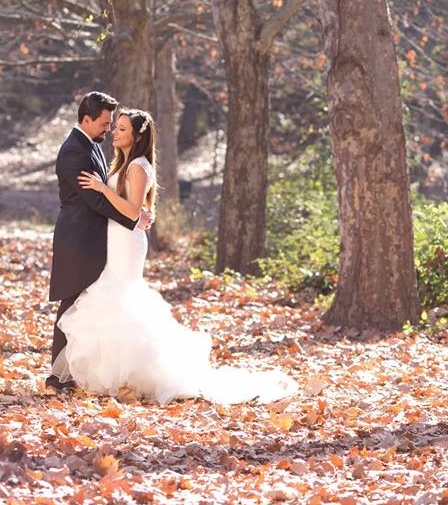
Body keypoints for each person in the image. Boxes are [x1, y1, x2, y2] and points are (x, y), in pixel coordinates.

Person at [54, 108, 298, 405]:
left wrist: (102, 189)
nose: (114, 133)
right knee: (108, 296)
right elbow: (139, 209)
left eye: (121, 129)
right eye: (114, 127)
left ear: (138, 136)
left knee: (120, 297)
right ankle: (116, 376)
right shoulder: (124, 162)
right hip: (115, 237)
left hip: (127, 241)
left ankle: (132, 375)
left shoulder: (137, 167)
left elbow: (132, 212)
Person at [47, 91, 152, 391]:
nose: (108, 130)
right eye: (105, 124)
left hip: (100, 238)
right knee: (72, 303)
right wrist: (132, 219)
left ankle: (80, 372)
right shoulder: (73, 151)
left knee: (92, 303)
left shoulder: (90, 145)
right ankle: (58, 376)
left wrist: (136, 214)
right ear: (86, 120)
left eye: (113, 125)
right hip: (79, 237)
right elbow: (93, 199)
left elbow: (118, 195)